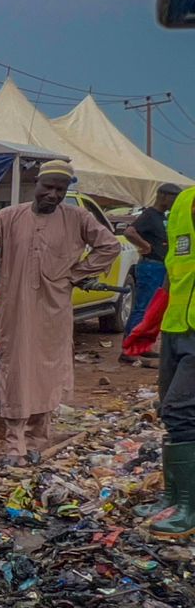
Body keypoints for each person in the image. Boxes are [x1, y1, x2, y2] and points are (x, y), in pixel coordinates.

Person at [0, 160, 119, 466]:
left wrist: (77, 272)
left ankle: (36, 443)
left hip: (54, 313)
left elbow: (109, 246)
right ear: (37, 185)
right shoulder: (10, 216)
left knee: (47, 374)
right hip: (16, 313)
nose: (53, 195)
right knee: (16, 373)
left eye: (60, 189)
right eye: (48, 187)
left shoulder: (77, 218)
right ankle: (13, 446)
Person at [125, 186, 195, 538]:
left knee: (183, 409)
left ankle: (188, 508)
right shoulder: (183, 201)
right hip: (176, 326)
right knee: (170, 409)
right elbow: (176, 265)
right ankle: (173, 496)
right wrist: (150, 322)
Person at [121, 182, 182, 364]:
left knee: (153, 310)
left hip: (161, 267)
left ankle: (143, 347)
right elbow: (129, 232)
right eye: (173, 197)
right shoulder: (149, 215)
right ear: (163, 196)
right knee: (142, 308)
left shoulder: (163, 217)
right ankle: (128, 349)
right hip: (150, 266)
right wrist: (145, 246)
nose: (175, 201)